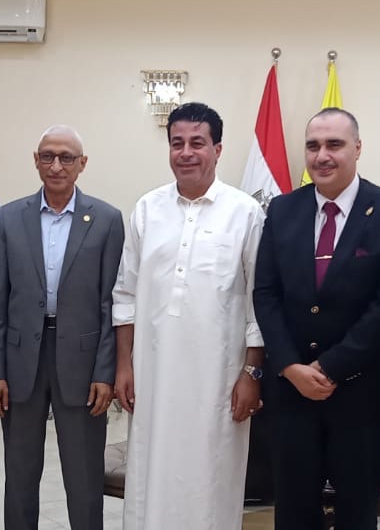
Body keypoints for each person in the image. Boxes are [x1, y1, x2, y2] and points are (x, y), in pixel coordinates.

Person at [253, 107, 380, 530]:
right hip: (291, 394)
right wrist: (290, 366)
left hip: (361, 396)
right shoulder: (282, 210)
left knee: (356, 515)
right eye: (313, 146)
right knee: (293, 513)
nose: (322, 155)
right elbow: (266, 294)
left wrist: (329, 367)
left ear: (357, 148)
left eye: (334, 144)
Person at [111, 102, 265, 530]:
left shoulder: (245, 213)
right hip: (153, 374)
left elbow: (259, 302)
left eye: (197, 143)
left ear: (218, 149)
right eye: (177, 143)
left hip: (218, 378)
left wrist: (251, 374)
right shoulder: (147, 209)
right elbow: (125, 294)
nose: (186, 152)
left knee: (210, 478)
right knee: (151, 471)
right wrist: (124, 364)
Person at [0, 125, 124, 530]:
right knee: (20, 474)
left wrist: (105, 372)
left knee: (84, 475)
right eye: (48, 156)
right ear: (36, 160)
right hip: (21, 360)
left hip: (82, 361)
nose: (56, 165)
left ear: (82, 164)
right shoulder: (9, 218)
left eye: (66, 157)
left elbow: (110, 303)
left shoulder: (107, 220)